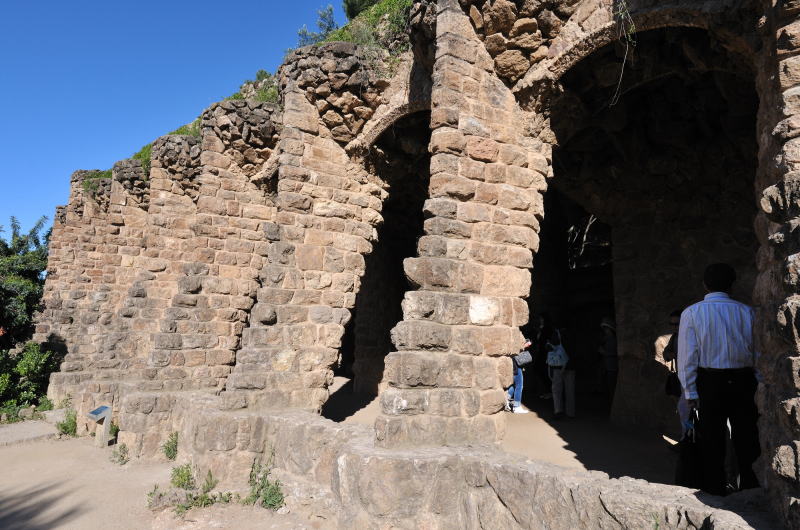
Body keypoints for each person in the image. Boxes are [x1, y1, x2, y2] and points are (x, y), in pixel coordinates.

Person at [677, 263, 760, 495]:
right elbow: (758, 353)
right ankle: (750, 490)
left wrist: (690, 392)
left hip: (710, 383)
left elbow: (687, 357)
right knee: (747, 437)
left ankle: (714, 490)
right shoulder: (747, 312)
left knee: (711, 439)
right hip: (744, 381)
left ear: (705, 284)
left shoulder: (692, 313)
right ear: (732, 285)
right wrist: (760, 382)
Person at [663, 309, 691, 435]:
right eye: (671, 324)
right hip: (680, 377)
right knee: (684, 411)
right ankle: (687, 439)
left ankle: (688, 441)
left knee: (686, 411)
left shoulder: (690, 337)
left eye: (676, 324)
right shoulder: (675, 337)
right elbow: (666, 353)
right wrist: (670, 354)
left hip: (691, 380)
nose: (674, 327)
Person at [548, 326, 575, 419]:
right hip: (571, 365)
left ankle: (558, 411)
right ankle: (570, 413)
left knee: (557, 390)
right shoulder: (572, 334)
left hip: (558, 365)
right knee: (570, 390)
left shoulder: (556, 333)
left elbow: (551, 347)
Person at [507, 338, 532, 414]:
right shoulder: (516, 337)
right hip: (516, 366)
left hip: (512, 364)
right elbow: (519, 348)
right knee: (519, 386)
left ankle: (505, 399)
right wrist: (525, 345)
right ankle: (516, 407)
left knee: (514, 385)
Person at [534, 314, 554, 398]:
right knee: (539, 370)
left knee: (545, 371)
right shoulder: (541, 328)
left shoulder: (547, 329)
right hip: (541, 353)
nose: (540, 320)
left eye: (541, 319)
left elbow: (544, 340)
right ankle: (548, 390)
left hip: (545, 353)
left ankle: (550, 391)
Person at [598, 317, 618, 401]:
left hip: (612, 368)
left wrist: (604, 352)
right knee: (608, 387)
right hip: (607, 367)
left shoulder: (613, 340)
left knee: (612, 387)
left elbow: (615, 353)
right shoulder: (606, 339)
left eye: (606, 328)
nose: (604, 330)